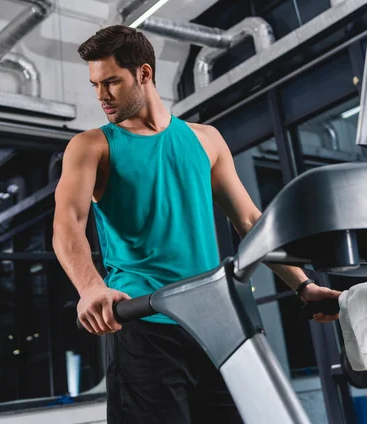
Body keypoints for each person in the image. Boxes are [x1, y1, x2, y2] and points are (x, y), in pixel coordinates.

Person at [53, 25, 340, 423]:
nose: (101, 96)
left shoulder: (206, 140)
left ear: (144, 74)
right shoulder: (91, 147)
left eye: (111, 82)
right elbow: (68, 223)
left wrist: (303, 286)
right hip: (144, 326)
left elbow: (249, 220)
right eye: (95, 85)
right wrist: (90, 288)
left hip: (215, 326)